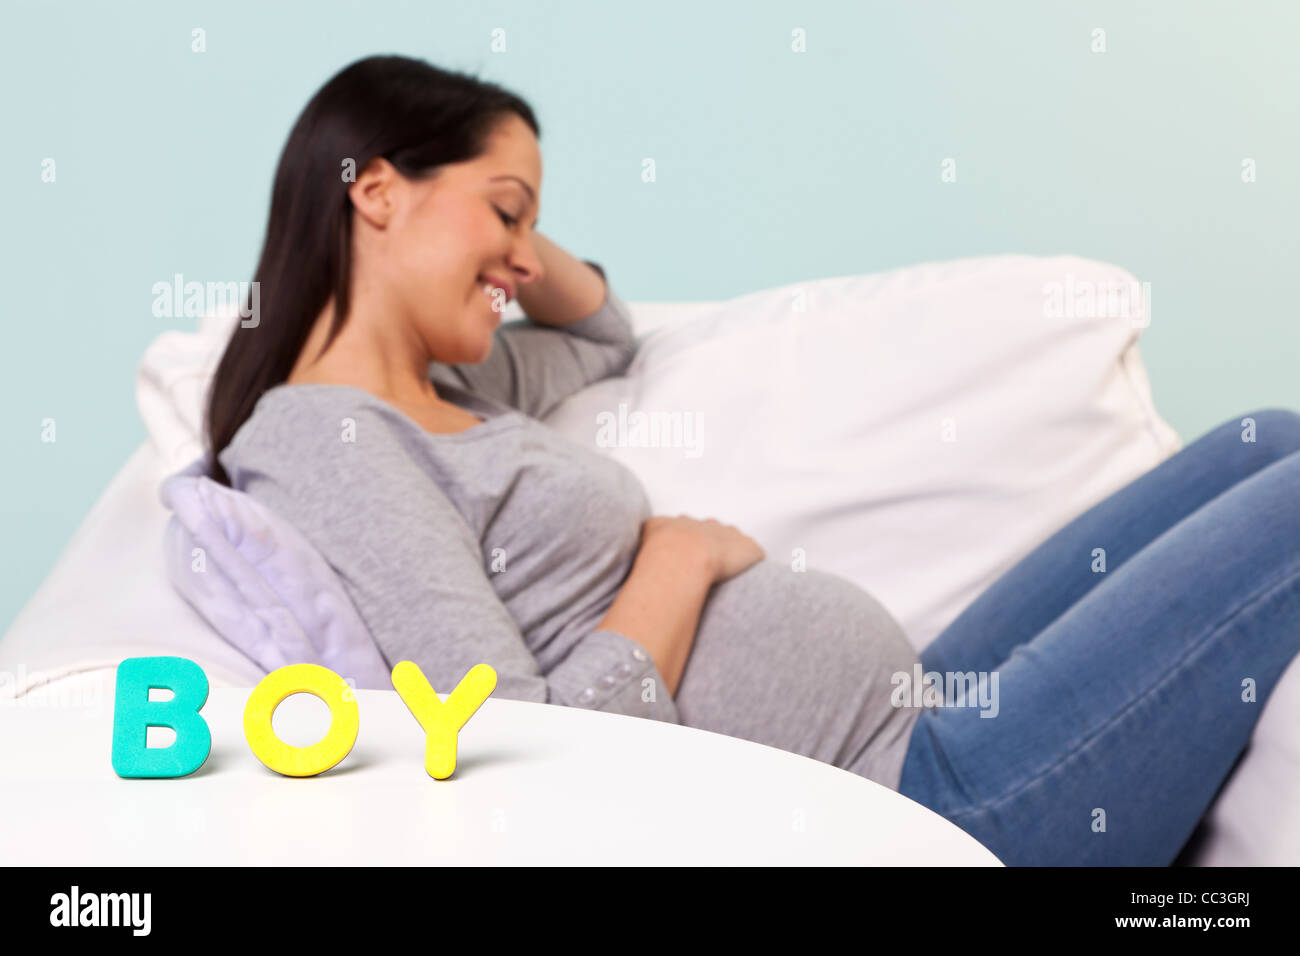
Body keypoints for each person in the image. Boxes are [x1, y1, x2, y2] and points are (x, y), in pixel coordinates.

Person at [205, 54, 1300, 865]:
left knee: (1268, 437)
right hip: (928, 815)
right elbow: (516, 752)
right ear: (376, 188)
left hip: (919, 719)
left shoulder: (457, 388)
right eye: (503, 208)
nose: (525, 257)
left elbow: (603, 335)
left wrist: (504, 240)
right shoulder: (324, 436)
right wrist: (670, 566)